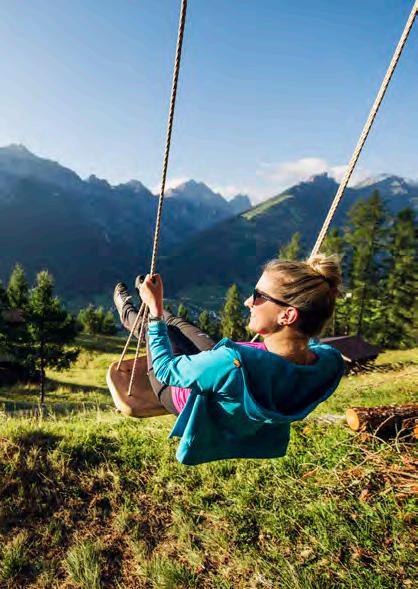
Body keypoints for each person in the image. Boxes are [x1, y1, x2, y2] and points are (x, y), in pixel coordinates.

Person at [113, 254, 345, 465]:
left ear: (288, 315)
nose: (248, 302)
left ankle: (128, 311)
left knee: (156, 326)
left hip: (179, 393)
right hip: (225, 374)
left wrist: (154, 311)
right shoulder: (330, 364)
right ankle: (149, 301)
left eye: (259, 296)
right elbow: (313, 346)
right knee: (174, 322)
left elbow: (164, 370)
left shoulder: (230, 362)